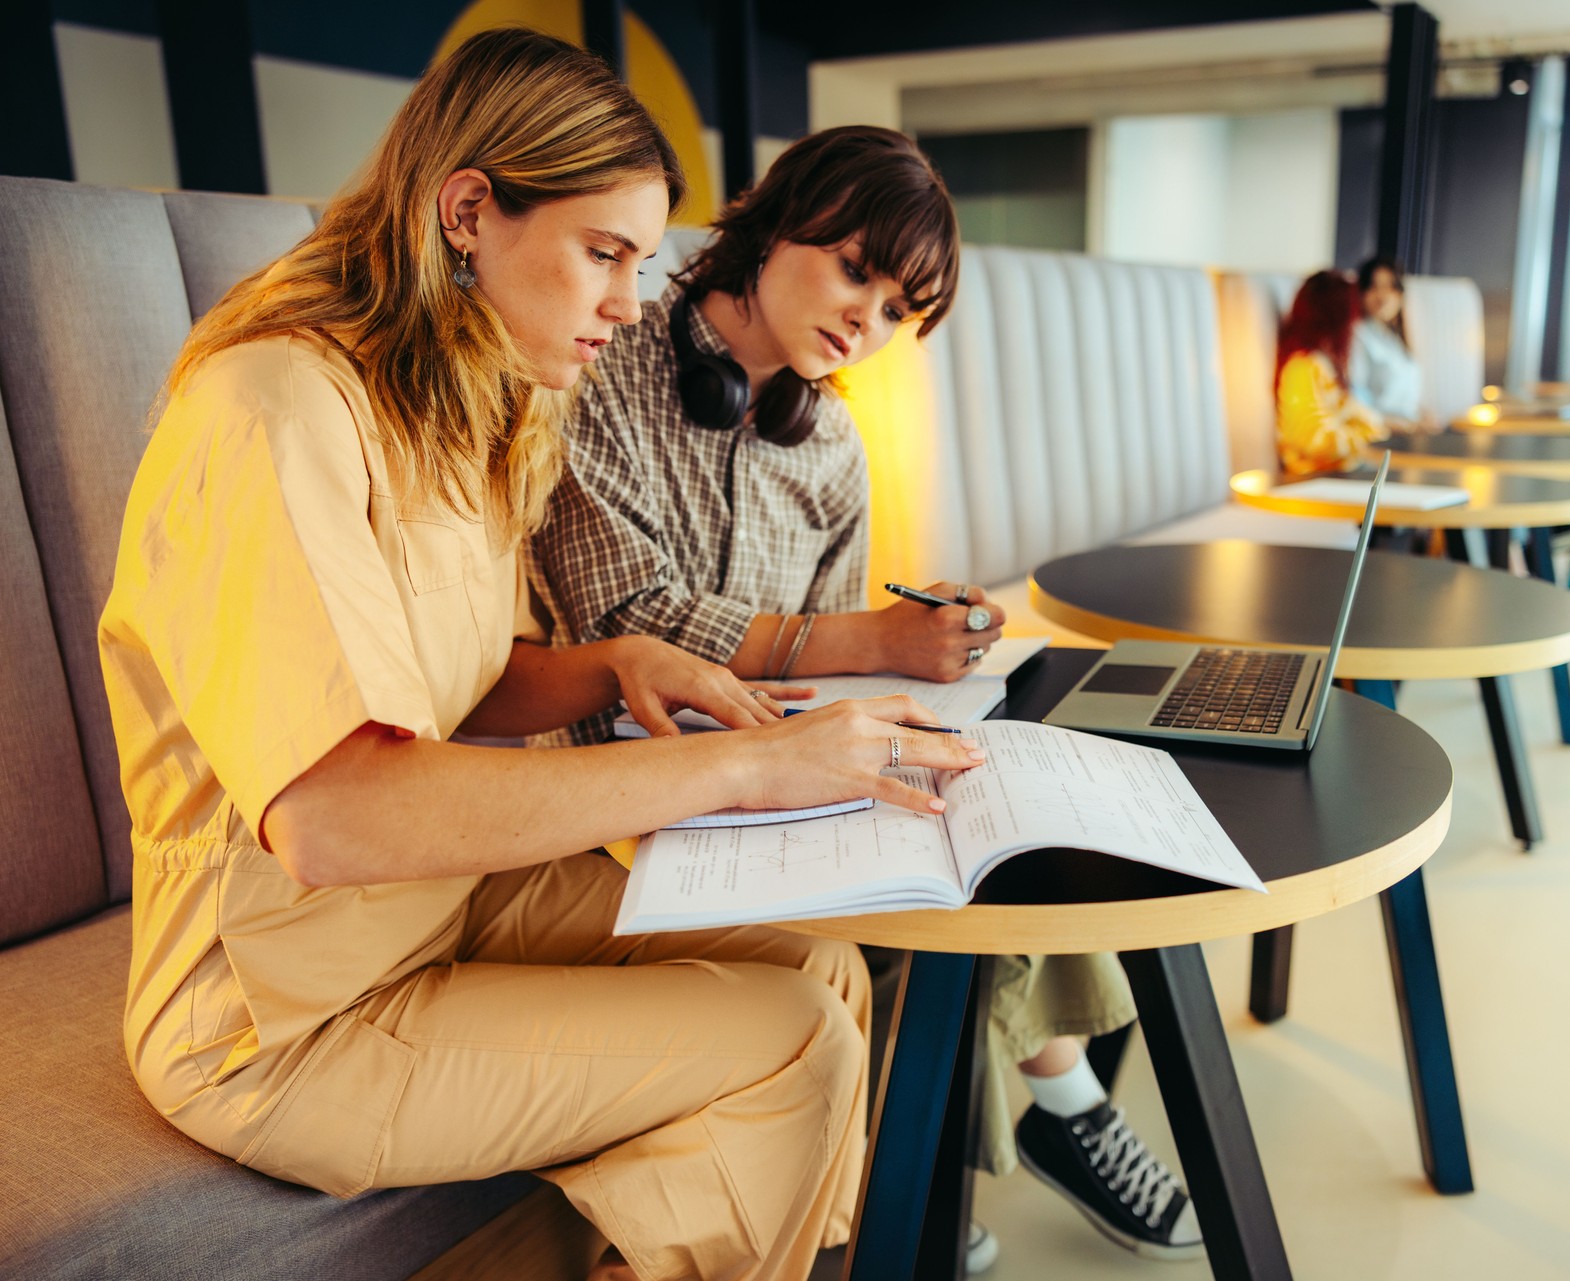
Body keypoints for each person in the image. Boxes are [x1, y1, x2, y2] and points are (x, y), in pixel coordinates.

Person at [98, 30, 983, 1281]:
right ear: (468, 212)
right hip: (282, 1010)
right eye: (605, 254)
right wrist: (744, 771)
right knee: (793, 1038)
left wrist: (614, 662)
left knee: (821, 961)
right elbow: (335, 813)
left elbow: (460, 677)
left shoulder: (471, 399)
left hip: (438, 904)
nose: (630, 304)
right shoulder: (271, 410)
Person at [529, 125, 1203, 1270]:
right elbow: (621, 621)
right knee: (953, 873)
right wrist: (858, 638)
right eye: (855, 270)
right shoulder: (610, 358)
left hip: (775, 769)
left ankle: (962, 1154)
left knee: (999, 829)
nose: (867, 322)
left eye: (900, 310)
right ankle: (1012, 1140)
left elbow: (839, 663)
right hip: (624, 782)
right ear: (773, 222)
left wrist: (917, 647)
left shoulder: (830, 439)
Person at [1275, 268, 1388, 474]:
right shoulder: (1303, 367)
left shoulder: (1325, 365)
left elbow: (1367, 421)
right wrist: (1363, 438)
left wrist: (1371, 431)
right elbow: (1313, 441)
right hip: (1316, 479)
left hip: (1341, 471)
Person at [1348, 255, 1426, 425]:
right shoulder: (1357, 335)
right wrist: (1400, 425)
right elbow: (1355, 401)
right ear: (1362, 293)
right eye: (1374, 287)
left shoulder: (1395, 339)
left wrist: (1423, 417)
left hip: (1408, 431)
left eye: (1389, 287)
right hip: (1381, 435)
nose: (1381, 296)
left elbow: (1407, 400)